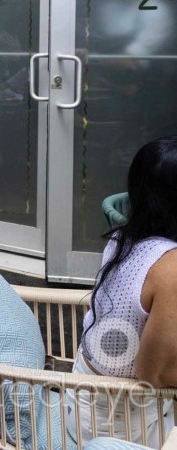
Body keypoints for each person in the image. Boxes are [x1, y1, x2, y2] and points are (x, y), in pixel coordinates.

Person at [68, 136, 177, 446]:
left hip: (84, 396)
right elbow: (151, 374)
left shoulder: (122, 237)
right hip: (124, 419)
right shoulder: (170, 267)